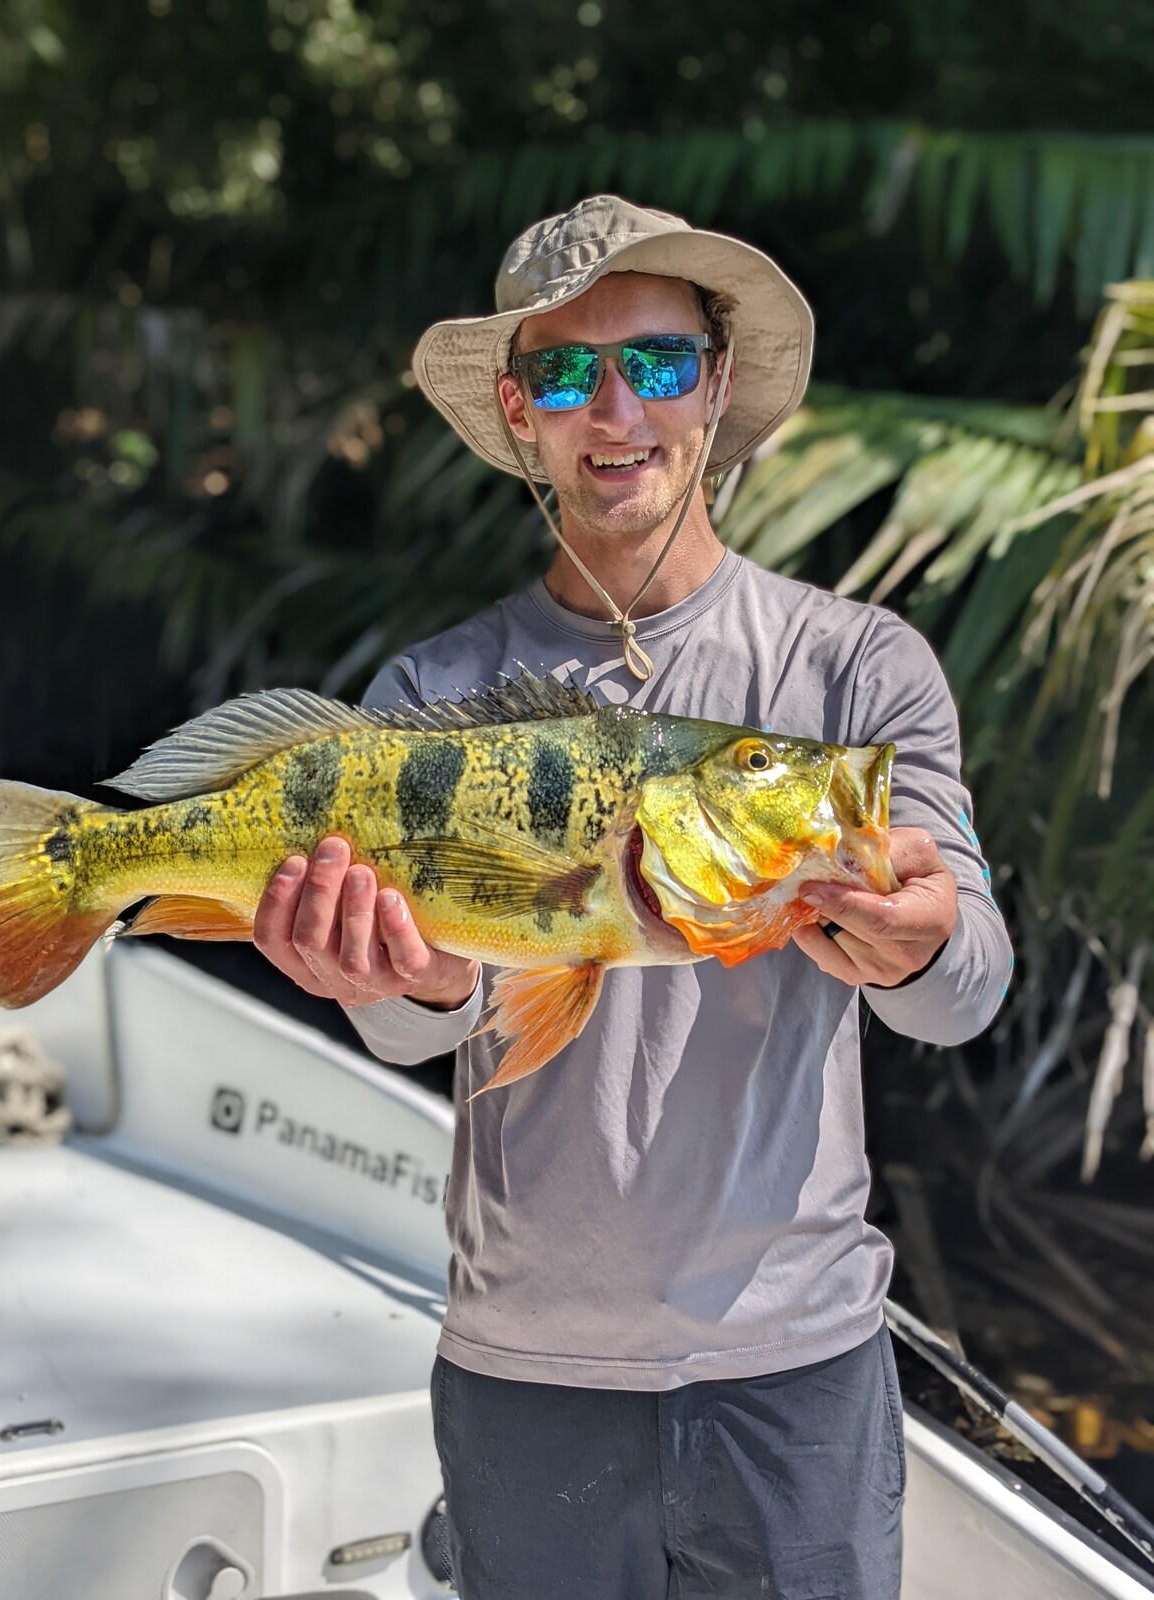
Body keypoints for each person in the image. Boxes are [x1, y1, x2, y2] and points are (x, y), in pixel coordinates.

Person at [252, 195, 1013, 1599]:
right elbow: (424, 1027)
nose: (619, 410)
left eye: (659, 364)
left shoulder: (858, 677)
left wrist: (923, 939)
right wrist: (395, 976)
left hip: (794, 1372)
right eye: (566, 370)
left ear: (717, 385)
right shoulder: (430, 703)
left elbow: (969, 989)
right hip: (525, 1373)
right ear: (519, 409)